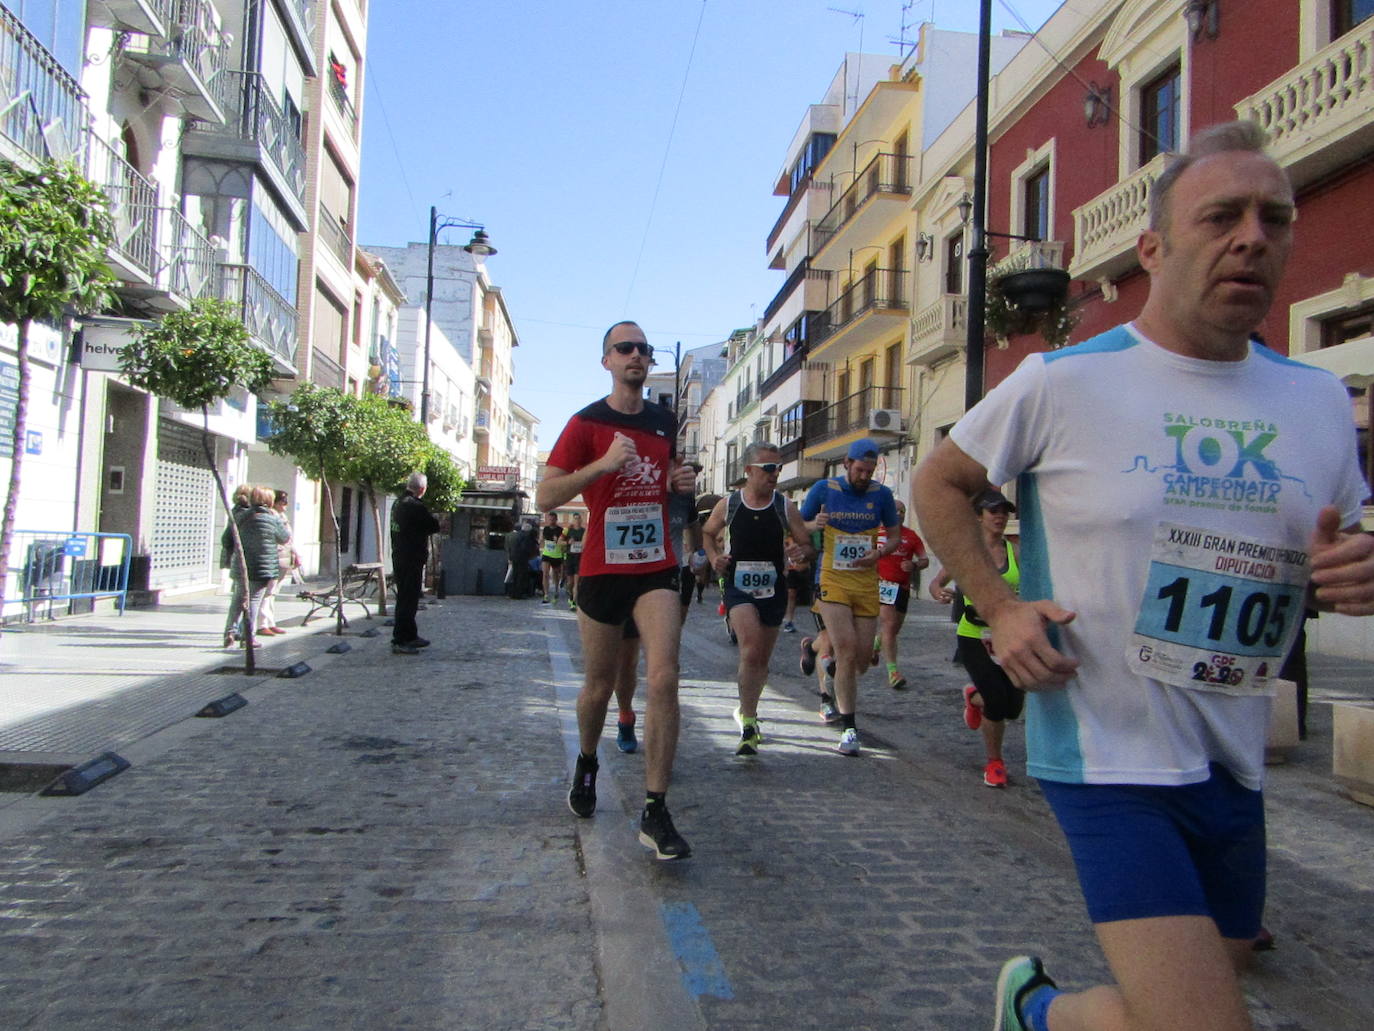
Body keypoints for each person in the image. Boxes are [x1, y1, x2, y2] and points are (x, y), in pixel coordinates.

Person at [913, 122, 1374, 1031]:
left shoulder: (1319, 400)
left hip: (1234, 761)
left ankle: (1036, 1011)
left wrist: (1354, 573)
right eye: (1223, 216)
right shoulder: (1062, 382)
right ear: (1154, 248)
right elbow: (940, 481)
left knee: (1171, 1006)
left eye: (1274, 218)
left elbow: (1336, 552)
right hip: (1107, 751)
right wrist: (999, 605)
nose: (1253, 236)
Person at [538, 320, 698, 861]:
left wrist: (681, 481)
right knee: (598, 687)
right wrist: (601, 465)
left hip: (656, 566)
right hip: (603, 568)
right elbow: (545, 495)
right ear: (606, 360)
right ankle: (587, 761)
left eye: (643, 349)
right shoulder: (585, 423)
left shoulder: (663, 421)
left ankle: (655, 809)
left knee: (666, 677)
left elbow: (670, 477)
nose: (636, 355)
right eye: (624, 348)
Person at [701, 442, 814, 756]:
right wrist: (713, 559)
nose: (774, 474)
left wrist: (798, 552)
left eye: (777, 468)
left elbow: (808, 545)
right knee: (750, 648)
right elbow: (708, 533)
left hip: (773, 588)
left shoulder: (784, 506)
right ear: (748, 471)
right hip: (738, 585)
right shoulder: (730, 504)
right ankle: (748, 724)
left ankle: (746, 709)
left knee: (761, 658)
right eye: (768, 468)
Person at [798, 438, 901, 755]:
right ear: (846, 464)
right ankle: (849, 728)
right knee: (844, 648)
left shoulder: (881, 495)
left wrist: (881, 552)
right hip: (833, 578)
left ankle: (819, 655)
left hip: (866, 580)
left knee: (860, 661)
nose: (864, 476)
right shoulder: (824, 489)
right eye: (859, 470)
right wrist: (815, 523)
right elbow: (797, 526)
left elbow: (895, 535)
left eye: (869, 471)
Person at [929, 490, 1022, 786]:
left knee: (1012, 707)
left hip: (1008, 636)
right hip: (973, 634)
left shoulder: (1015, 551)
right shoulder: (966, 550)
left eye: (1004, 511)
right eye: (993, 511)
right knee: (996, 699)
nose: (1000, 516)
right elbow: (936, 582)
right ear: (979, 516)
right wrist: (938, 592)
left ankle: (973, 696)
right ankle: (995, 763)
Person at [221, 486, 289, 649]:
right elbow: (284, 538)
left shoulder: (240, 517)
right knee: (253, 600)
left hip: (241, 565)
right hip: (262, 566)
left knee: (237, 600)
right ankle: (248, 637)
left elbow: (226, 540)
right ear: (269, 501)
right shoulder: (273, 518)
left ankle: (229, 632)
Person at [873, 498, 928, 690]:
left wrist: (913, 565)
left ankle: (876, 644)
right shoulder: (876, 533)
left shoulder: (912, 536)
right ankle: (893, 672)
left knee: (894, 629)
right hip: (883, 586)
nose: (899, 514)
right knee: (888, 626)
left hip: (902, 588)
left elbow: (924, 560)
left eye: (903, 511)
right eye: (895, 510)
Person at [390, 471, 440, 655]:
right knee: (407, 600)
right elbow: (433, 525)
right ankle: (401, 639)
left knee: (407, 598)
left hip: (400, 555)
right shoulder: (414, 505)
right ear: (422, 488)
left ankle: (410, 635)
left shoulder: (397, 503)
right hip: (411, 558)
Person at [256, 489, 300, 636]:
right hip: (274, 558)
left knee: (273, 593)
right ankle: (262, 624)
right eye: (282, 502)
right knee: (267, 593)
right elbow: (281, 537)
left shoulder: (282, 516)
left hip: (284, 558)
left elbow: (289, 538)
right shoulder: (272, 517)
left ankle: (270, 622)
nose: (285, 505)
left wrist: (295, 553)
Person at [562, 512, 586, 611]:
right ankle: (570, 595)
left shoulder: (584, 531)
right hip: (570, 557)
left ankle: (573, 602)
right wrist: (568, 542)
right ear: (573, 520)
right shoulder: (568, 531)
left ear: (581, 520)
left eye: (578, 518)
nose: (577, 520)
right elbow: (559, 542)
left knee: (577, 582)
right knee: (570, 582)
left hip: (580, 558)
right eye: (575, 518)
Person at [539, 511, 565, 603]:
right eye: (549, 519)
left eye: (553, 519)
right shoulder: (545, 529)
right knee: (545, 573)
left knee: (555, 574)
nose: (551, 521)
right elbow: (542, 539)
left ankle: (556, 589)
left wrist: (558, 541)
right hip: (547, 554)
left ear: (556, 519)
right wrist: (540, 542)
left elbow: (562, 542)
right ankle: (546, 594)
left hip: (556, 554)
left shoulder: (560, 530)